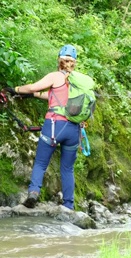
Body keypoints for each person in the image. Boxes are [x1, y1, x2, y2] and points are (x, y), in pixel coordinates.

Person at [5, 44, 81, 210]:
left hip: (54, 126)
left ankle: (33, 193)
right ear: (74, 62)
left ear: (59, 60)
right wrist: (34, 96)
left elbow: (33, 87)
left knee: (40, 163)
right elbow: (54, 96)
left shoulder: (55, 76)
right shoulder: (79, 81)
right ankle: (68, 206)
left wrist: (16, 89)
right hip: (74, 130)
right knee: (67, 168)